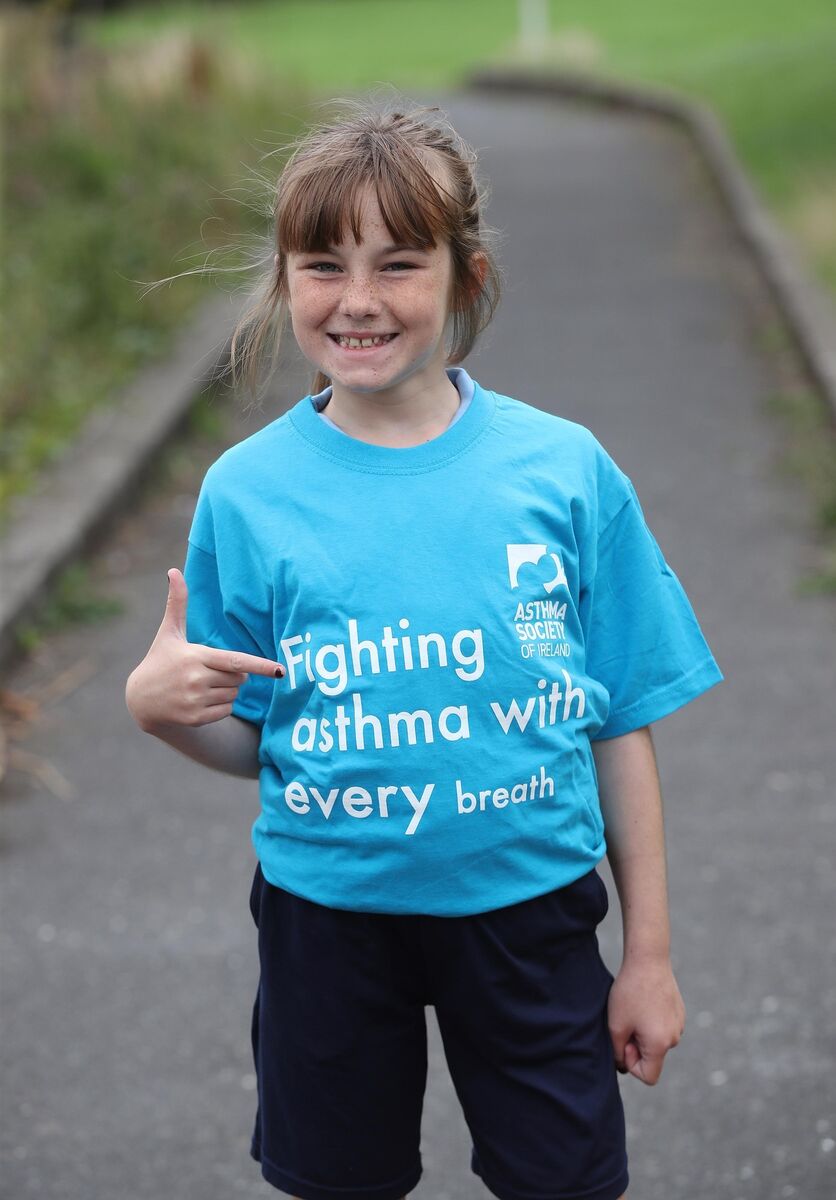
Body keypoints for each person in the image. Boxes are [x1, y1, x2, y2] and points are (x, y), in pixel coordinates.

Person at [125, 99, 723, 1200]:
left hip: (531, 910)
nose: (357, 300)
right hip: (327, 920)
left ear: (465, 277)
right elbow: (264, 739)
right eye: (322, 265)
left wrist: (647, 958)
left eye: (398, 264)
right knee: (339, 1181)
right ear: (285, 280)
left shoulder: (563, 469)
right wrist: (164, 715)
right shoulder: (245, 493)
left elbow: (620, 720)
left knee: (564, 1182)